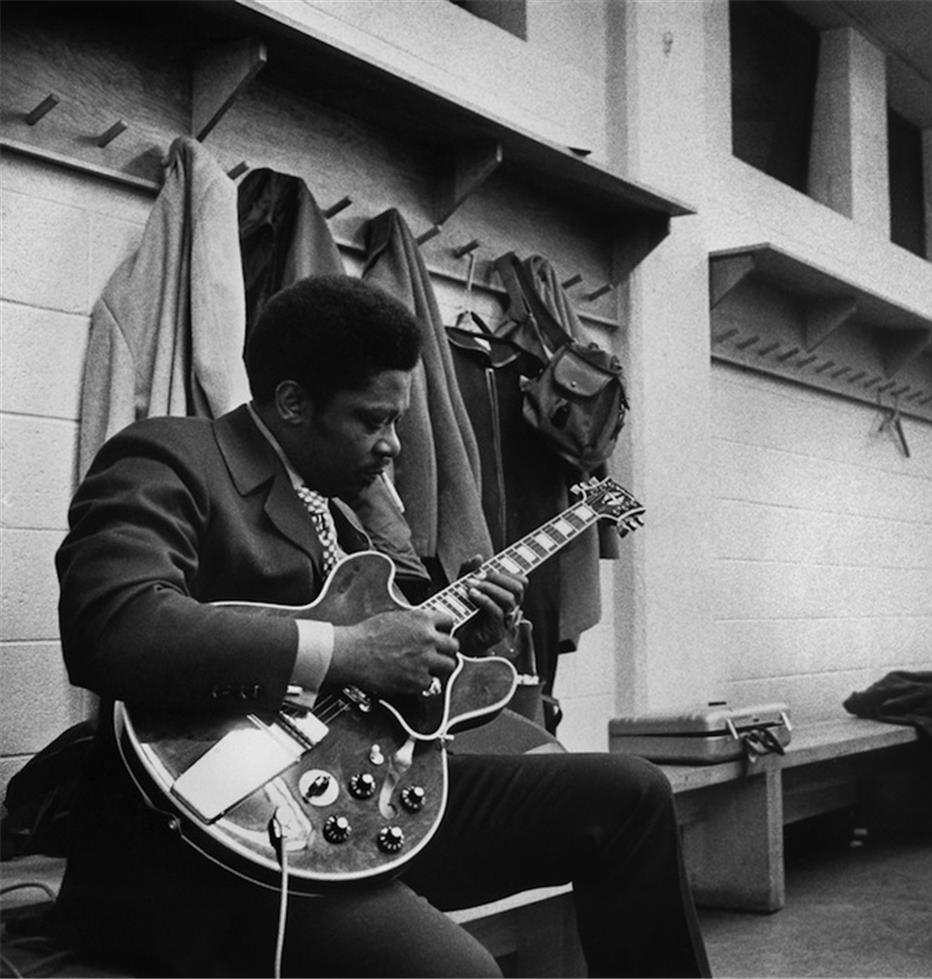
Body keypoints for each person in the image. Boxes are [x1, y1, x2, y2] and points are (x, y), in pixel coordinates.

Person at [51, 274, 710, 977]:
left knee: (631, 794)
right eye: (373, 420)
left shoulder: (337, 510)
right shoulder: (170, 456)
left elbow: (372, 698)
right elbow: (112, 624)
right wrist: (346, 648)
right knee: (465, 975)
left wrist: (453, 650)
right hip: (210, 839)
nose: (394, 445)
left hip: (360, 796)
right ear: (294, 402)